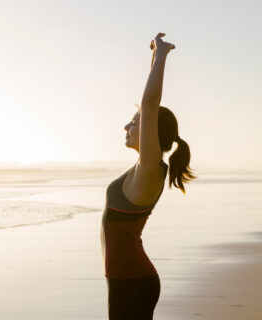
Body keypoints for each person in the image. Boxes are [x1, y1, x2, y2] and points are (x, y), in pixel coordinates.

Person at [100, 32, 197, 319]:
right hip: (123, 280)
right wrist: (154, 55)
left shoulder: (150, 170)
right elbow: (148, 107)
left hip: (132, 282)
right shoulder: (143, 168)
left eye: (134, 122)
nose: (126, 126)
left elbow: (150, 103)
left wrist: (162, 55)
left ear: (151, 133)